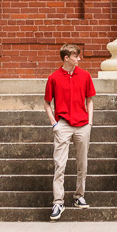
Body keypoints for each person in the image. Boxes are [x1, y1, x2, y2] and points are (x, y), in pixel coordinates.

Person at [43, 43, 96, 220]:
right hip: (63, 124)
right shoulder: (54, 78)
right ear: (66, 58)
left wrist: (90, 122)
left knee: (83, 163)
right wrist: (54, 124)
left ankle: (79, 196)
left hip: (82, 124)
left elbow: (90, 100)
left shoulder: (85, 76)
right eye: (76, 56)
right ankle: (58, 202)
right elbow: (47, 103)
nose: (79, 59)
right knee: (60, 164)